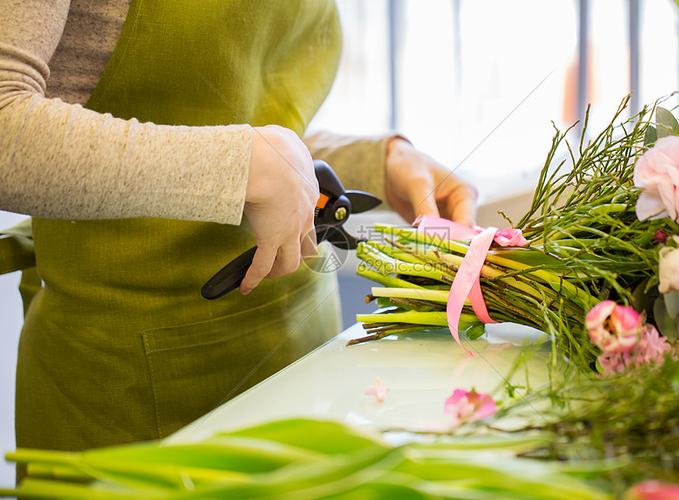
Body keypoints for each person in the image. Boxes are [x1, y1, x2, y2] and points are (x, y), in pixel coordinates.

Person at [0, 0, 478, 454]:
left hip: (302, 344)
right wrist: (242, 166)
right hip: (129, 388)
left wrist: (372, 161)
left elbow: (238, 113)